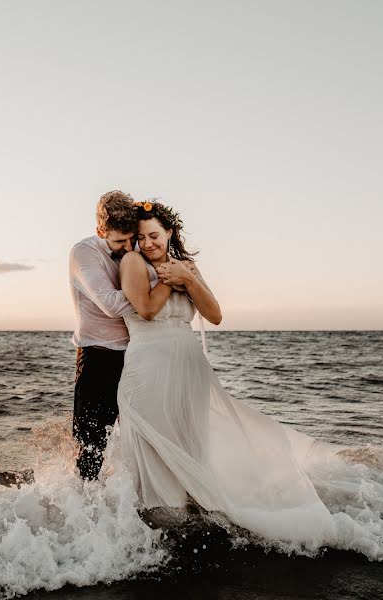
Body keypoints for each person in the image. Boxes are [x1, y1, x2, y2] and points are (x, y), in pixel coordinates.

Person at [112, 200, 338, 548]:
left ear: (169, 232)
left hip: (190, 371)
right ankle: (152, 540)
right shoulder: (133, 263)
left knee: (194, 444)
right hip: (149, 371)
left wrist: (187, 277)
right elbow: (144, 310)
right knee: (159, 452)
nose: (148, 243)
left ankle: (193, 530)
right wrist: (172, 283)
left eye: (154, 235)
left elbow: (214, 314)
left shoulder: (186, 267)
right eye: (141, 237)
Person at [68, 190, 174, 480]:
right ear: (100, 231)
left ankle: (129, 511)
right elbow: (113, 305)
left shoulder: (133, 251)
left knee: (139, 443)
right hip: (98, 358)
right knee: (91, 449)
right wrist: (156, 295)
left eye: (132, 239)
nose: (129, 248)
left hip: (138, 356)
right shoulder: (84, 252)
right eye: (119, 241)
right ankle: (84, 516)